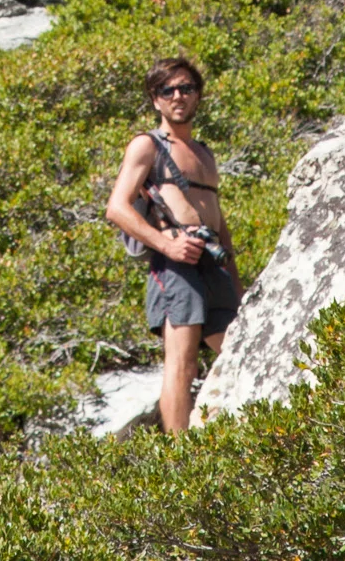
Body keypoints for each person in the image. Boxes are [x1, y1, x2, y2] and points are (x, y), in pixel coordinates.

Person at [104, 55, 241, 433]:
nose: (178, 96)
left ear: (198, 95)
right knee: (181, 364)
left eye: (187, 88)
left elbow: (217, 217)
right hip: (175, 267)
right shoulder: (146, 146)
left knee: (239, 350)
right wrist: (167, 246)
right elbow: (116, 207)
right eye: (168, 90)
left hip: (212, 264)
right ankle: (181, 461)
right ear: (155, 99)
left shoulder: (204, 153)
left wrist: (235, 281)